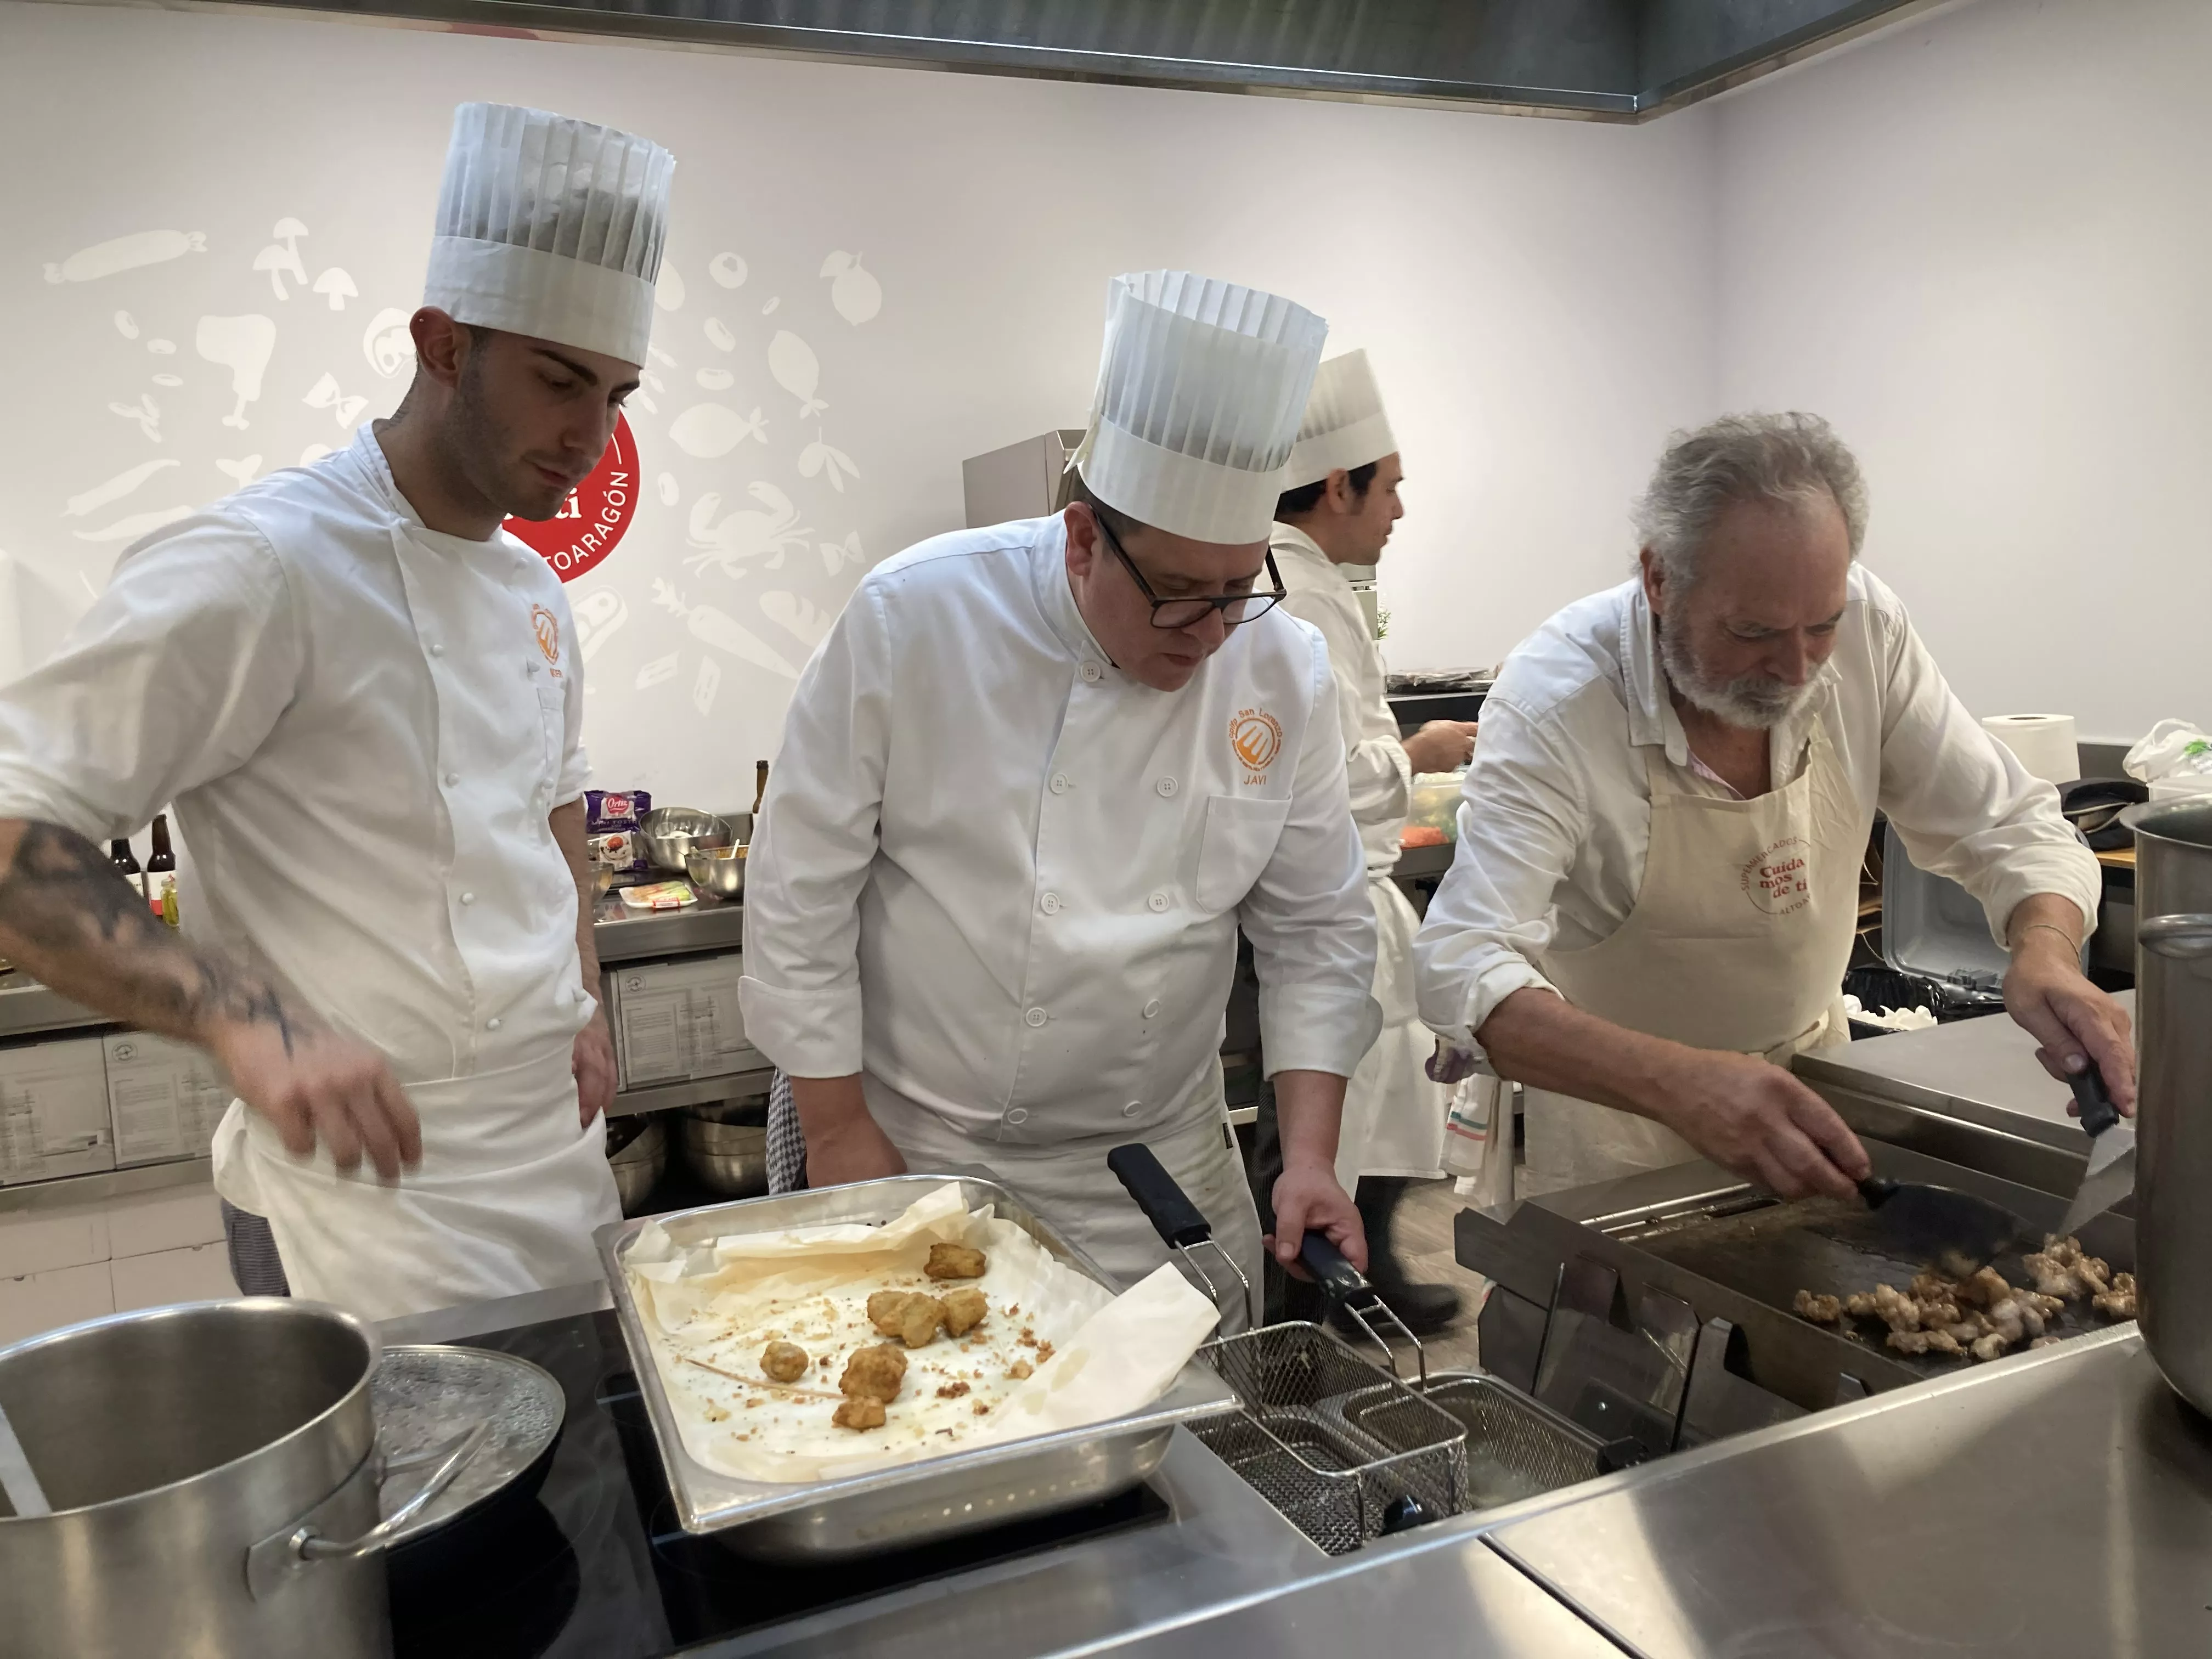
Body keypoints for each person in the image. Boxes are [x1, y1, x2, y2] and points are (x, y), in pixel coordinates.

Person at [0, 102, 677, 1319]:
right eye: (561, 381)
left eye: (619, 395)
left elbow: (552, 805)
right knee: (424, 1512)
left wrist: (581, 1003)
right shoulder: (264, 566)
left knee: (586, 1490)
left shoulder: (532, 589)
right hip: (366, 1199)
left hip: (554, 1158)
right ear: (443, 343)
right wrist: (242, 1020)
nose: (591, 436)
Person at [740, 271, 1381, 1327]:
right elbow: (799, 891)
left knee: (1193, 1463)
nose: (1215, 631)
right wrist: (844, 1137)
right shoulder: (916, 619)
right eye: (1181, 594)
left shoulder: (1283, 665)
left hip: (1163, 1182)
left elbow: (1316, 930)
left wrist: (1308, 1154)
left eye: (1239, 589)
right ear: (1083, 538)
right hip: (929, 1159)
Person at [1414, 413, 2133, 1199]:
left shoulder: (1867, 627)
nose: (1794, 669)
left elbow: (2006, 824)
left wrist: (2046, 947)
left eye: (1819, 627)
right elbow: (1461, 964)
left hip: (1817, 1076)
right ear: (1660, 580)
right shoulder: (1559, 701)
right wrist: (1680, 1084)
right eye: (1753, 632)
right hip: (1621, 1122)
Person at [1269, 350, 1474, 1333]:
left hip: (1342, 895)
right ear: (1339, 484)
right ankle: (1325, 1304)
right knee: (1344, 1111)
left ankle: (1360, 1277)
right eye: (1389, 487)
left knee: (1379, 1095)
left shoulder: (1309, 582)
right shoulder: (1300, 594)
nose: (1399, 509)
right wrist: (1420, 750)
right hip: (1329, 894)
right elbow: (1328, 775)